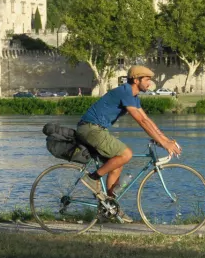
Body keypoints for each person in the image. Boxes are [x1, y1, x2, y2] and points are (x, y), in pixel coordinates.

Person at [76, 65, 182, 222]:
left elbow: (146, 119)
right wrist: (163, 143)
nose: (150, 83)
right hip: (90, 129)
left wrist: (165, 140)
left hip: (96, 129)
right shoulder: (125, 91)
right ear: (136, 80)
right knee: (126, 154)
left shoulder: (133, 96)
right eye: (147, 80)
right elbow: (140, 121)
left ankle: (110, 208)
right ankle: (92, 178)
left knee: (117, 165)